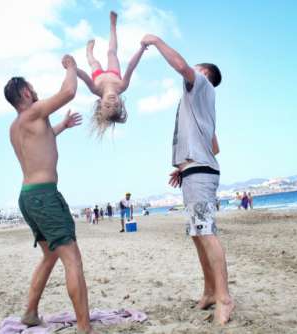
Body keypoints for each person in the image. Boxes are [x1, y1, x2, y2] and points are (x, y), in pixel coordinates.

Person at [141, 34, 234, 324]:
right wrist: (184, 167)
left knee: (206, 234)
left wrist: (155, 41)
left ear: (204, 73)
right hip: (194, 173)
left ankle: (224, 297)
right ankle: (209, 292)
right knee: (197, 235)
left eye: (195, 70)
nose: (189, 74)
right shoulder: (198, 103)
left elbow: (181, 66)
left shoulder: (202, 85)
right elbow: (214, 147)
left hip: (201, 174)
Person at [5, 55, 94, 333]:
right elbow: (68, 92)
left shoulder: (17, 126)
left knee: (50, 255)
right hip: (44, 195)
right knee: (72, 258)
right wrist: (70, 67)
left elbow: (40, 142)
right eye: (31, 88)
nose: (35, 91)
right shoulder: (34, 112)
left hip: (28, 196)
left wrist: (61, 128)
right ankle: (84, 328)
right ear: (25, 92)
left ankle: (30, 312)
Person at [77, 11, 146, 137]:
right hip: (114, 73)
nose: (112, 103)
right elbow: (131, 67)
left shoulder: (95, 89)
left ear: (100, 104)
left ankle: (88, 53)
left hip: (98, 75)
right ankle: (113, 26)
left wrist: (73, 68)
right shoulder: (122, 86)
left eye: (107, 106)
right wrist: (141, 49)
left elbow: (84, 77)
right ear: (121, 103)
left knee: (94, 62)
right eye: (116, 106)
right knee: (111, 52)